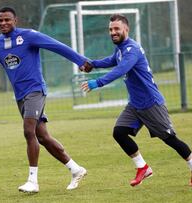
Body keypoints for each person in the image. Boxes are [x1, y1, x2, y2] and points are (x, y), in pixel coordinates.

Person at [0, 7, 88, 193]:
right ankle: (76, 169)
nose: (3, 23)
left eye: (7, 20)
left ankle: (33, 181)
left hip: (36, 91)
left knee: (28, 130)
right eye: (0, 21)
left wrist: (80, 61)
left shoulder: (29, 36)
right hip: (20, 96)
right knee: (43, 137)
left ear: (15, 20)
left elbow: (57, 46)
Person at [80, 14, 192, 187]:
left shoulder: (132, 49)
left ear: (126, 29)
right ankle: (143, 168)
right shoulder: (120, 49)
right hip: (135, 104)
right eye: (111, 29)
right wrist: (92, 63)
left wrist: (97, 82)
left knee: (171, 140)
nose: (113, 32)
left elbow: (121, 68)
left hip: (151, 103)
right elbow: (111, 60)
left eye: (117, 29)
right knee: (119, 132)